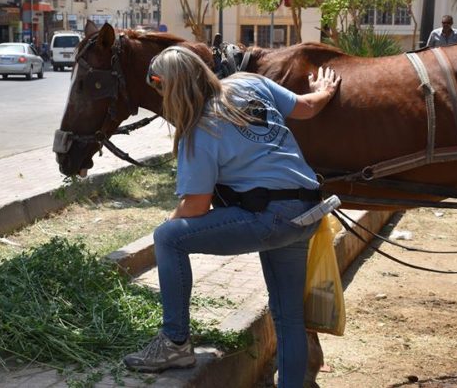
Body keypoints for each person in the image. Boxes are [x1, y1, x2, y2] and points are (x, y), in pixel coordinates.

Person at [123, 46, 341, 388]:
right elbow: (306, 107)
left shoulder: (198, 129)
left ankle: (175, 342)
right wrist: (324, 91)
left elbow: (196, 206)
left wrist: (170, 222)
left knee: (167, 238)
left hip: (272, 218)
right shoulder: (249, 83)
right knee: (288, 315)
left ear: (168, 88)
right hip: (307, 211)